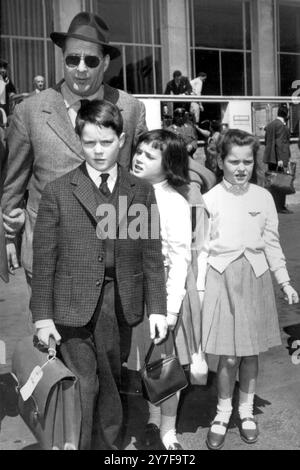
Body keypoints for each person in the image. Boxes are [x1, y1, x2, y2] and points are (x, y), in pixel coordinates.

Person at [30, 100, 168, 450]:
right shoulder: (59, 191)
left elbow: (151, 254)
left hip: (117, 301)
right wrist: (42, 317)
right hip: (70, 303)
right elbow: (44, 260)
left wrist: (157, 308)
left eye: (106, 142)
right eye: (89, 142)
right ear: (79, 140)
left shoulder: (139, 191)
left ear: (122, 139)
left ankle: (107, 447)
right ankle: (75, 443)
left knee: (110, 380)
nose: (98, 150)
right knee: (82, 382)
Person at [1, 12, 147, 294]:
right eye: (72, 59)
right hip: (50, 260)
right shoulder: (29, 111)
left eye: (90, 61)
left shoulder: (130, 109)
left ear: (104, 62)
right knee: (52, 337)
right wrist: (9, 236)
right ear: (63, 58)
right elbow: (13, 182)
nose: (81, 69)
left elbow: (147, 173)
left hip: (114, 259)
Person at [197, 129, 299, 450]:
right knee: (228, 358)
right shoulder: (209, 200)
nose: (241, 168)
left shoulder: (264, 197)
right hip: (221, 279)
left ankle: (246, 411)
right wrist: (199, 292)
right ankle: (223, 412)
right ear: (220, 161)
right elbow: (201, 250)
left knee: (250, 354)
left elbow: (271, 243)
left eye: (247, 161)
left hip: (255, 279)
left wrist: (284, 281)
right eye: (233, 161)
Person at [127, 129, 203, 450]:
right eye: (138, 150)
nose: (139, 157)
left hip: (162, 298)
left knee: (164, 363)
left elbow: (180, 258)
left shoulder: (172, 201)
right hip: (131, 294)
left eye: (150, 155)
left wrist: (170, 311)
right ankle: (153, 419)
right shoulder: (124, 192)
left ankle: (168, 430)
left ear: (168, 164)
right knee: (144, 364)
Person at [263, 104, 292, 214]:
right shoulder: (281, 125)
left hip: (271, 158)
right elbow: (280, 142)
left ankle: (273, 205)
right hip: (279, 159)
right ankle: (280, 206)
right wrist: (280, 159)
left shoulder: (270, 125)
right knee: (281, 182)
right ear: (286, 114)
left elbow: (267, 141)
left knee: (272, 182)